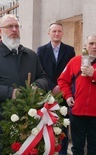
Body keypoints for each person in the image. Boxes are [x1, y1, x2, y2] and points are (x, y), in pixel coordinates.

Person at [0, 14, 48, 155]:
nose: (14, 29)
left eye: (17, 26)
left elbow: (43, 77)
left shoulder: (31, 55)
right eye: (9, 26)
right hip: (1, 122)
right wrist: (11, 93)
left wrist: (37, 86)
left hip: (30, 122)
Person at [37, 22, 75, 155]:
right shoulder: (41, 50)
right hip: (47, 93)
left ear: (62, 33)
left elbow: (72, 72)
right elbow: (40, 71)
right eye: (54, 31)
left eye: (59, 31)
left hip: (64, 93)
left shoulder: (70, 50)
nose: (57, 33)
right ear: (49, 33)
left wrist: (62, 87)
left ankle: (63, 152)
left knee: (63, 125)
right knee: (47, 125)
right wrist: (52, 87)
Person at [58, 34, 96, 155]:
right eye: (91, 44)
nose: (94, 47)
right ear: (85, 46)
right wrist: (68, 96)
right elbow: (62, 80)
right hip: (77, 112)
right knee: (77, 148)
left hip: (95, 114)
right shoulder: (75, 61)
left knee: (94, 148)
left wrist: (93, 74)